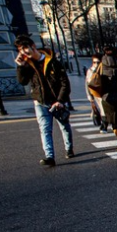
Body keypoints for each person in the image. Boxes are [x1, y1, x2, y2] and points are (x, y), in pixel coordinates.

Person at [14, 35, 74, 166]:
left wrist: (60, 100)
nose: (24, 52)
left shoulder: (52, 62)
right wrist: (20, 66)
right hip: (40, 102)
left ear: (33, 46)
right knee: (45, 129)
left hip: (56, 101)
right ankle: (50, 156)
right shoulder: (28, 65)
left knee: (64, 126)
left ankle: (69, 149)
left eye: (25, 48)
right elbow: (22, 82)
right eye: (20, 50)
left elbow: (65, 83)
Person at [85, 54, 108, 134]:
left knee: (104, 110)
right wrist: (89, 96)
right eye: (94, 62)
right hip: (95, 94)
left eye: (98, 62)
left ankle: (104, 125)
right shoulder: (90, 71)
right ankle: (104, 125)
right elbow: (87, 83)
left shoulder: (104, 70)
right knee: (101, 110)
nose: (96, 64)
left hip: (104, 93)